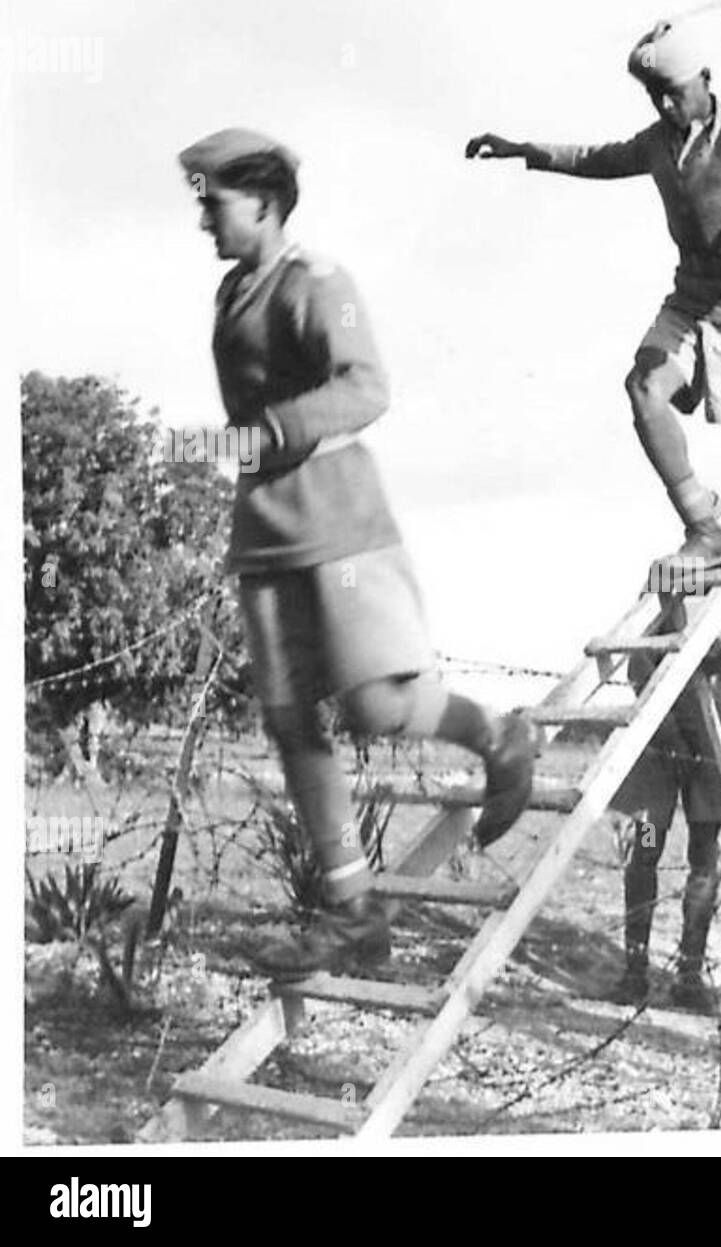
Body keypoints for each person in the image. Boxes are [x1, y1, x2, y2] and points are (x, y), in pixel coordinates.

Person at [178, 127, 535, 979]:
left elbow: (367, 384)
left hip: (337, 515)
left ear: (262, 204)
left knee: (377, 706)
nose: (204, 223)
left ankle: (500, 736)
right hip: (264, 529)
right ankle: (351, 914)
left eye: (215, 204)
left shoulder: (318, 285)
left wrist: (271, 432)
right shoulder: (233, 293)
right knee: (290, 718)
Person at [465, 18, 721, 599]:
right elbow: (597, 157)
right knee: (645, 386)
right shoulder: (657, 143)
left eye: (673, 91)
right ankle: (704, 523)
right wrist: (525, 149)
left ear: (705, 78)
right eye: (654, 95)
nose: (664, 104)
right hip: (692, 300)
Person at [606, 595, 721, 1014]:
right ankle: (635, 969)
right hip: (660, 743)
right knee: (646, 848)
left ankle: (689, 973)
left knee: (704, 854)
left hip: (709, 741)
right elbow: (639, 665)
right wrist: (667, 729)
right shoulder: (668, 585)